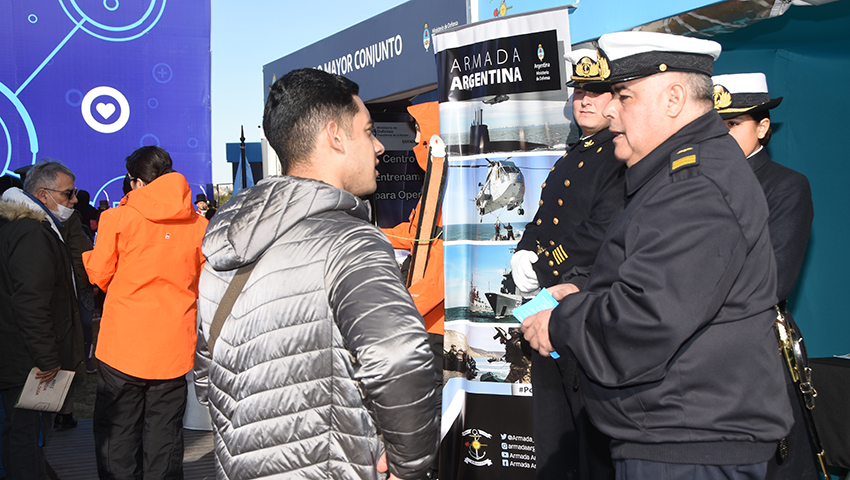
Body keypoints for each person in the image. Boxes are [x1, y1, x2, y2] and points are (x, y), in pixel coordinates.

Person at [521, 32, 792, 479]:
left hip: (688, 446)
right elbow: (663, 286)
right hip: (679, 435)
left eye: (623, 96)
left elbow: (645, 319)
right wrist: (586, 290)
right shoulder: (681, 173)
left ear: (673, 98)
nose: (609, 109)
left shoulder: (696, 185)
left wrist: (562, 320)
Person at [194, 68, 439, 480]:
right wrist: (409, 466)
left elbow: (206, 377)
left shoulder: (224, 247)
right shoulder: (351, 243)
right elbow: (399, 358)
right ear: (336, 136)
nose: (378, 146)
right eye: (368, 130)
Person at [511, 48, 624, 480]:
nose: (585, 100)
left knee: (588, 432)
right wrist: (524, 247)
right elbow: (545, 219)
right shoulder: (569, 159)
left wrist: (543, 267)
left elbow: (599, 232)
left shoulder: (618, 156)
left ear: (616, 98)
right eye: (579, 91)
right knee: (553, 427)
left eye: (597, 91)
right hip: (547, 306)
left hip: (585, 302)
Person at [712, 72, 817, 479]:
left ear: (763, 126)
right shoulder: (691, 185)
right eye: (715, 126)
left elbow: (773, 281)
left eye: (733, 124)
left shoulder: (786, 186)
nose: (722, 135)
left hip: (756, 349)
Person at [83, 146, 207, 479]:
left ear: (136, 182)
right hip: (172, 345)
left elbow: (99, 275)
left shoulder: (117, 218)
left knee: (117, 433)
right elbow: (203, 279)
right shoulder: (199, 224)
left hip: (123, 344)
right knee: (165, 434)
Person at [0, 160, 85, 479]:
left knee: (20, 432)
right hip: (29, 360)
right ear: (42, 194)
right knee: (26, 435)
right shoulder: (32, 233)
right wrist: (47, 359)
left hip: (20, 354)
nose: (74, 200)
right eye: (68, 193)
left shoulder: (26, 226)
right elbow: (31, 302)